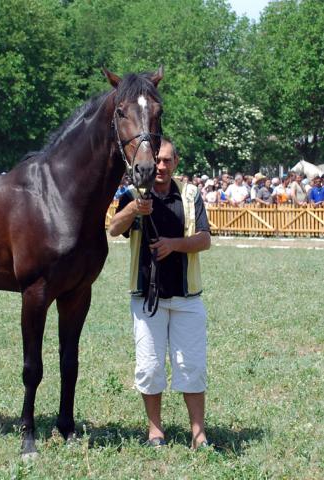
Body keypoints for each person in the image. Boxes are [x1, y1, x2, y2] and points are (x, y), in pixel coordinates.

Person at [109, 138, 212, 450]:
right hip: (146, 298)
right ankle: (155, 432)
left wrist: (173, 245)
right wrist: (133, 209)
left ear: (176, 162)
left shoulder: (190, 194)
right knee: (149, 366)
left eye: (167, 160)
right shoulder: (133, 194)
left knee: (192, 366)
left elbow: (205, 239)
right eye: (157, 161)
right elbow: (114, 228)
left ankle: (198, 435)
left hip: (186, 297)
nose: (162, 167)